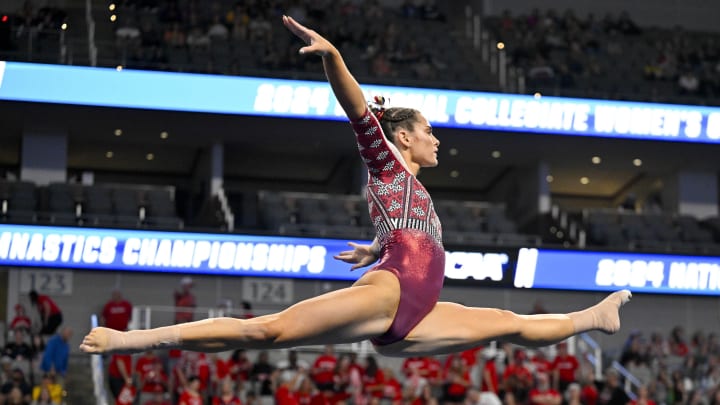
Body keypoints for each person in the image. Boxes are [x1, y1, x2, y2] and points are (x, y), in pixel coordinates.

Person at [79, 15, 631, 358]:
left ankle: (592, 317)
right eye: (429, 133)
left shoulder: (405, 187)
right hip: (392, 294)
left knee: (509, 325)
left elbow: (403, 227)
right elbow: (361, 114)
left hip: (416, 308)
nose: (437, 142)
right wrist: (336, 58)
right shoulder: (387, 165)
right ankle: (128, 340)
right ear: (404, 138)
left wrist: (380, 243)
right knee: (267, 332)